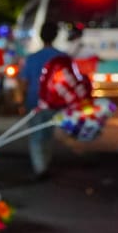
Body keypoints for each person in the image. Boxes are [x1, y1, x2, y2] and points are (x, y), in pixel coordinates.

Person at [19, 22, 69, 178]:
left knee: (35, 135)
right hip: (55, 102)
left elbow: (24, 81)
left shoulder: (32, 58)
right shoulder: (63, 58)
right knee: (48, 133)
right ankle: (45, 164)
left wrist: (21, 101)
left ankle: (40, 167)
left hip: (34, 100)